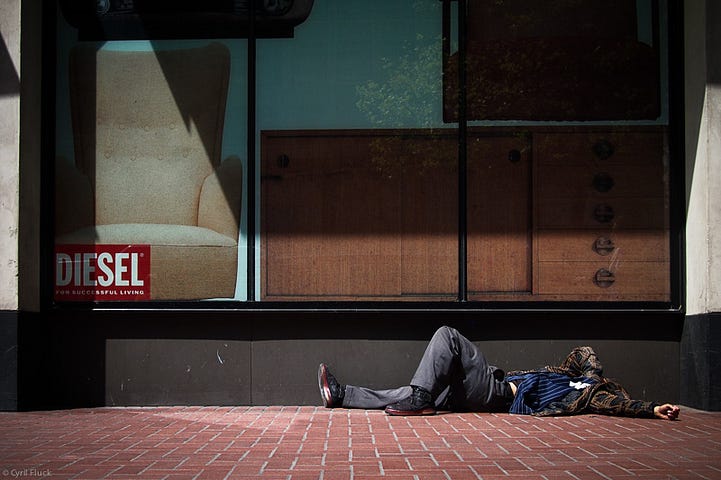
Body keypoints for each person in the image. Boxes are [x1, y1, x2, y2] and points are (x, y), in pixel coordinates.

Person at [318, 325, 680, 420]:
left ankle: (422, 398)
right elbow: (583, 353)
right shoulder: (578, 375)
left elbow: (616, 405)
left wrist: (649, 408)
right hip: (483, 392)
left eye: (599, 381)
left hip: (496, 392)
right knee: (404, 394)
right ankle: (343, 394)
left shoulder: (591, 394)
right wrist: (591, 369)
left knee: (449, 336)